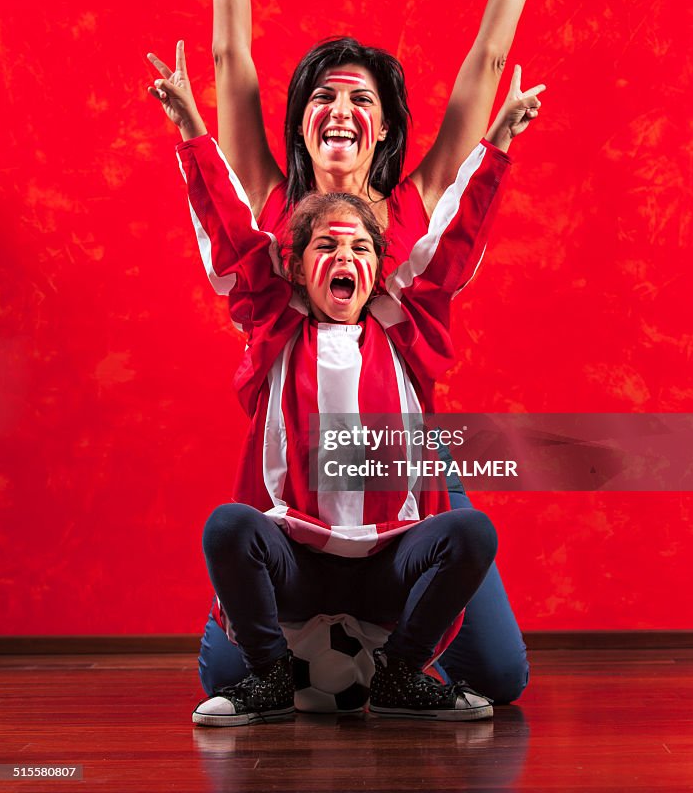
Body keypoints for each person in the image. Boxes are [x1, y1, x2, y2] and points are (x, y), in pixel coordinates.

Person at [146, 0, 577, 701]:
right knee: (230, 667)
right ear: (302, 117)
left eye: (362, 101)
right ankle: (292, 646)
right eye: (321, 99)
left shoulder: (419, 203)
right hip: (298, 458)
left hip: (403, 457)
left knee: (497, 676)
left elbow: (487, 58)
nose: (340, 112)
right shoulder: (267, 200)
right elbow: (232, 60)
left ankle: (390, 666)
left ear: (382, 128)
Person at [150, 47, 543, 724]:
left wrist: (498, 144)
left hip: (387, 554)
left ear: (382, 268)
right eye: (326, 248)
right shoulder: (276, 320)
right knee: (227, 527)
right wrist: (190, 131)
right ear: (297, 269)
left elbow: (451, 247)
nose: (345, 259)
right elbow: (233, 235)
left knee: (472, 532)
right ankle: (271, 675)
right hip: (299, 550)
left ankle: (397, 673)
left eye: (361, 249)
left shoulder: (402, 322)